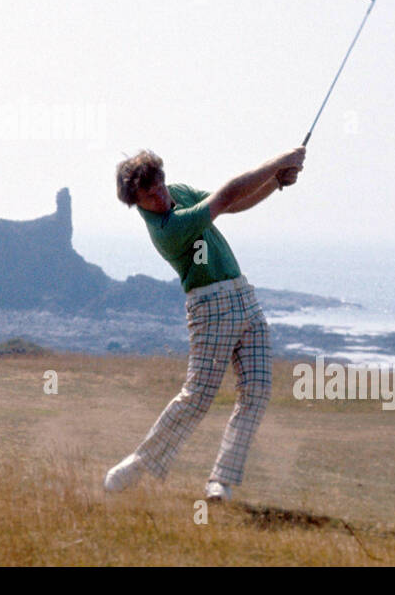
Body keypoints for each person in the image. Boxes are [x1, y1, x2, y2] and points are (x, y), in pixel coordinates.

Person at [104, 145, 307, 502]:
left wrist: (275, 182)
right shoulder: (168, 228)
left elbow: (231, 204)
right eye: (150, 195)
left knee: (257, 392)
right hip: (211, 308)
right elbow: (227, 192)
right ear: (136, 202)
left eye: (161, 186)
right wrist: (280, 162)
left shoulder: (176, 193)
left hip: (245, 298)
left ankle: (221, 481)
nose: (161, 196)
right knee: (198, 398)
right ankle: (139, 462)